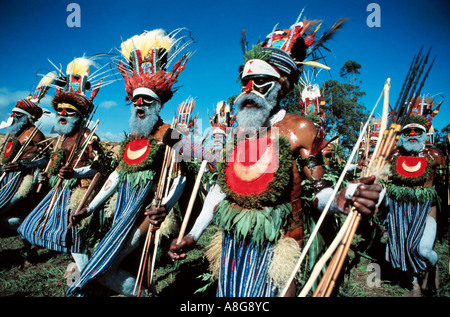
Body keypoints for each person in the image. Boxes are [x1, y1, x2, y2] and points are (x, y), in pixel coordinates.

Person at [167, 14, 382, 297]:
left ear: (281, 85)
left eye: (260, 82)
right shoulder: (238, 133)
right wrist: (193, 235)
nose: (249, 91)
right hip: (233, 242)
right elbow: (221, 189)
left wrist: (344, 198)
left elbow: (318, 191)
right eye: (245, 82)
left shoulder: (300, 129)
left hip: (279, 245)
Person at [65, 28, 193, 297]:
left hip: (149, 211)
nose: (139, 106)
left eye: (146, 101)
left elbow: (180, 176)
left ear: (158, 104)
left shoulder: (170, 132)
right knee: (119, 262)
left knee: (113, 263)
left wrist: (165, 206)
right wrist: (90, 207)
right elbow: (115, 177)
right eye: (135, 102)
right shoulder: (133, 137)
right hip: (123, 209)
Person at [17, 56, 109, 274]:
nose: (62, 115)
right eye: (60, 111)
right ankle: (66, 262)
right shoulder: (61, 138)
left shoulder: (87, 136)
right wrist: (45, 175)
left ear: (79, 116)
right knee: (29, 226)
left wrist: (75, 173)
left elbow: (102, 167)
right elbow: (51, 163)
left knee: (76, 233)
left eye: (69, 112)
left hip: (82, 191)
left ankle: (88, 274)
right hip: (60, 191)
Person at [384, 111, 445, 297]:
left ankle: (432, 268)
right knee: (399, 248)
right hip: (398, 211)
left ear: (424, 134)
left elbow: (443, 186)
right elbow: (384, 181)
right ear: (401, 135)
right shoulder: (393, 156)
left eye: (417, 131)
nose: (412, 135)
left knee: (423, 249)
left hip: (426, 211)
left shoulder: (434, 155)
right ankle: (415, 285)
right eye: (407, 131)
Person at [0, 76, 52, 236]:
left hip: (23, 177)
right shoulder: (18, 133)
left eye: (18, 115)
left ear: (28, 117)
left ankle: (26, 230)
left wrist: (23, 166)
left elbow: (45, 158)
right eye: (13, 114)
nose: (13, 118)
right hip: (9, 175)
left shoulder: (35, 135)